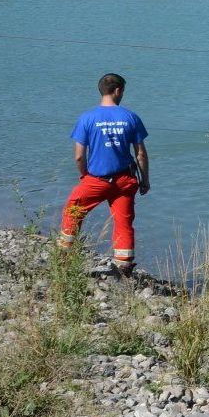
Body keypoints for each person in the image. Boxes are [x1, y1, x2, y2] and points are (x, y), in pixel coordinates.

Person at [58, 73, 150, 276]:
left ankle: (64, 258)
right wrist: (145, 180)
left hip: (96, 179)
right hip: (125, 180)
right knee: (124, 222)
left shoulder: (87, 118)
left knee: (72, 211)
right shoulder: (130, 117)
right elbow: (141, 153)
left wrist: (84, 176)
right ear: (118, 91)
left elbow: (79, 157)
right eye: (123, 91)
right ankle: (124, 265)